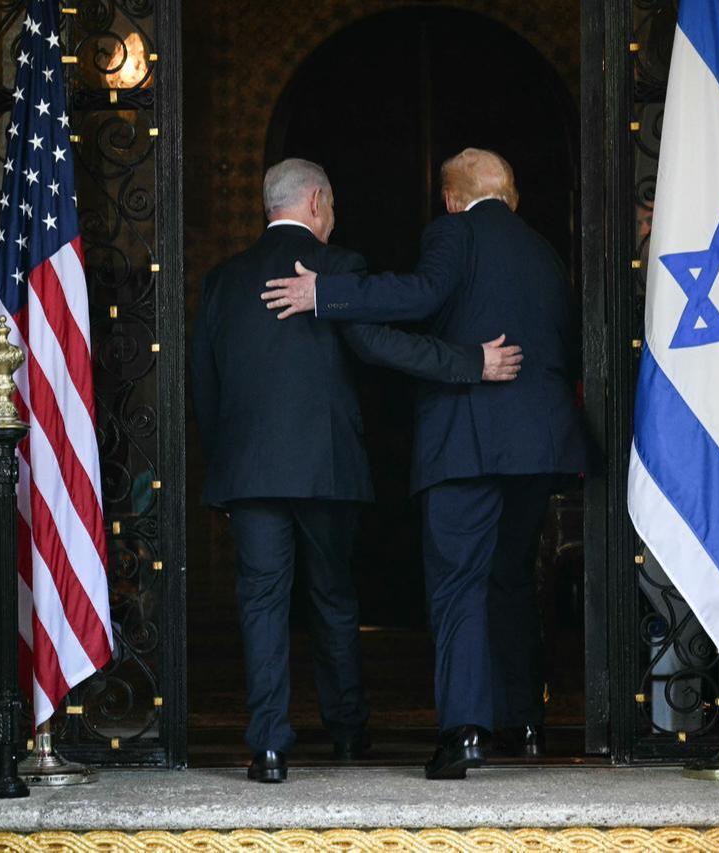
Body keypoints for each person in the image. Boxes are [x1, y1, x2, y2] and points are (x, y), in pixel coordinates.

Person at [191, 158, 523, 783]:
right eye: (334, 204)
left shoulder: (221, 280)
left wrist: (227, 463)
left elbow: (203, 388)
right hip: (327, 470)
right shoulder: (337, 268)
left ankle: (267, 746)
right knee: (333, 598)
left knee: (261, 603)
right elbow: (378, 346)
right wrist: (468, 362)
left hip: (249, 473)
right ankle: (347, 731)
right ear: (317, 203)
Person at [264, 148, 586, 779]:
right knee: (512, 578)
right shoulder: (545, 251)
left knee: (459, 582)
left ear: (449, 198)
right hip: (540, 446)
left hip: (468, 441)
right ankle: (524, 720)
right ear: (510, 193)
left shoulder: (454, 232)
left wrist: (325, 291)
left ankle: (464, 731)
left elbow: (421, 294)